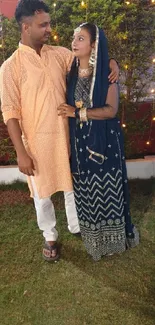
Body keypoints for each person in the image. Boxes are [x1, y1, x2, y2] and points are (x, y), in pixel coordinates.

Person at [0, 0, 119, 262]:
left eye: (49, 24)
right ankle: (50, 235)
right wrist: (21, 152)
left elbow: (87, 61)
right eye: (43, 25)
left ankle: (77, 227)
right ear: (25, 26)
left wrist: (111, 61)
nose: (49, 29)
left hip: (68, 135)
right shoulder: (10, 67)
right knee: (42, 194)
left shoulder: (59, 54)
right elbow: (10, 112)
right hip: (35, 141)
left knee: (71, 186)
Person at [58, 23, 139, 261]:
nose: (74, 42)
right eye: (74, 38)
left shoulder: (106, 73)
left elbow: (111, 110)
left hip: (105, 144)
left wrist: (78, 113)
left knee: (107, 190)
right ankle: (94, 241)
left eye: (81, 39)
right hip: (81, 145)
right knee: (87, 192)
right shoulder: (70, 73)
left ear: (93, 45)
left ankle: (113, 240)